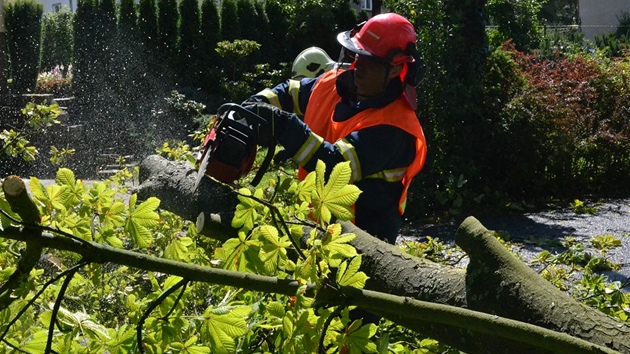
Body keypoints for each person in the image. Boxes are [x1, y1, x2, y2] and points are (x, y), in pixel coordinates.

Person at [243, 13, 427, 245]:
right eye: (356, 55)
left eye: (369, 61)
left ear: (394, 69)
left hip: (360, 245)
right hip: (313, 229)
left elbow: (333, 165)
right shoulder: (334, 84)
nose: (357, 66)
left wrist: (282, 125)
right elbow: (289, 92)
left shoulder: (395, 129)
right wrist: (251, 106)